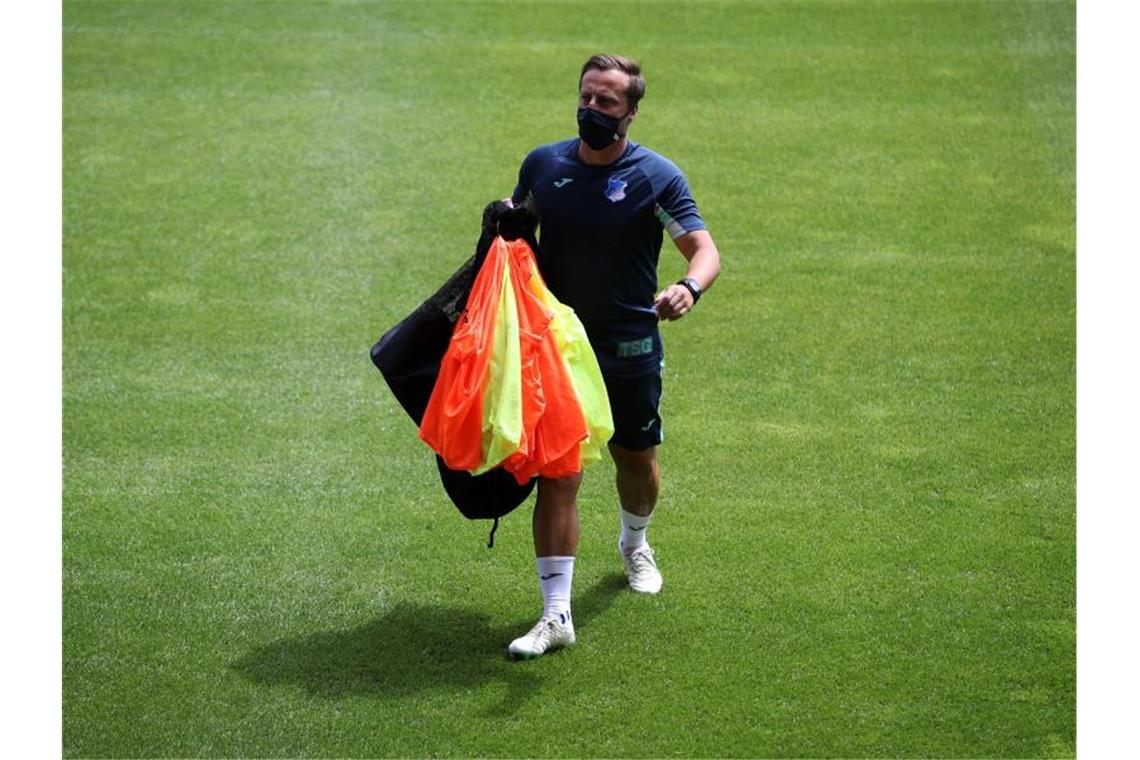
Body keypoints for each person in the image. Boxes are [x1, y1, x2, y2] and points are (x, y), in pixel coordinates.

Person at [505, 54, 721, 659]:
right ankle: (556, 615)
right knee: (560, 473)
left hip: (629, 348)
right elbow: (518, 230)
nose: (592, 110)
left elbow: (703, 249)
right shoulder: (544, 166)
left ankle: (634, 541)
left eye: (606, 102)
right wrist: (501, 220)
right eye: (586, 98)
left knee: (636, 463)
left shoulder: (655, 177)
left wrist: (689, 287)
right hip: (559, 350)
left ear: (630, 110)